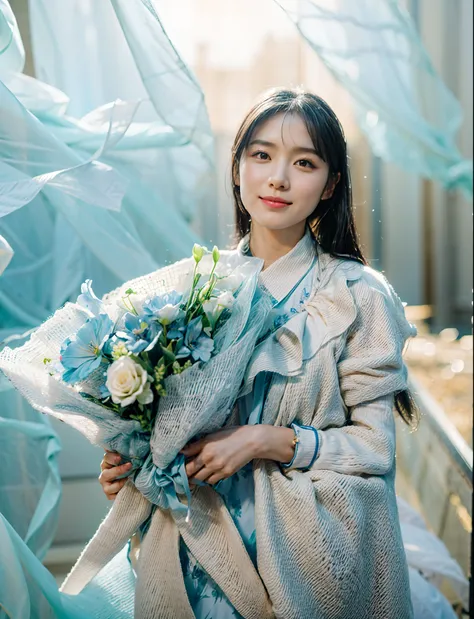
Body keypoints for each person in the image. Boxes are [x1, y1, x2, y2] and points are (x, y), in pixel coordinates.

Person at [99, 87, 422, 619]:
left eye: (304, 162)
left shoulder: (357, 294)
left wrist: (260, 440)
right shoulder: (192, 290)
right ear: (237, 168)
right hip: (193, 548)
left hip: (300, 562)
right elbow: (167, 430)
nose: (278, 178)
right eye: (262, 155)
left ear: (330, 184)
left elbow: (374, 449)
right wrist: (132, 465)